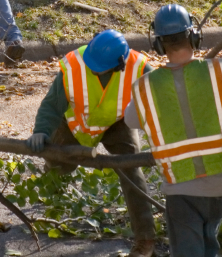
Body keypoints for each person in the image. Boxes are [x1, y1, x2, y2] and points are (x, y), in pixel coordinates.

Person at [125, 5, 222, 257]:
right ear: (194, 37)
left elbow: (131, 121)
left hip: (181, 188)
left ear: (159, 45)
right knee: (209, 247)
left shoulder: (145, 87)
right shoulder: (221, 72)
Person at [26, 30, 158, 257]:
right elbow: (51, 105)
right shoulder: (75, 64)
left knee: (131, 170)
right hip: (76, 123)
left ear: (119, 63)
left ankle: (145, 238)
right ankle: (52, 199)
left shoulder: (140, 68)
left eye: (99, 66)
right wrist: (40, 132)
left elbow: (163, 100)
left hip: (118, 122)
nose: (93, 68)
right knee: (60, 165)